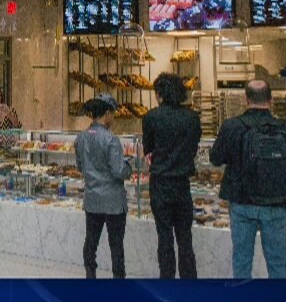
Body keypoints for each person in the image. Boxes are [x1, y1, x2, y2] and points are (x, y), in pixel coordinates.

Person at [210, 79, 286, 279]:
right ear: (271, 100)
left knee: (242, 263)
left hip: (241, 204)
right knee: (278, 266)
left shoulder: (232, 127)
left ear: (246, 99)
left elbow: (215, 159)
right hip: (276, 204)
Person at [142, 72, 202, 279]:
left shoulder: (151, 117)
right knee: (185, 237)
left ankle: (167, 283)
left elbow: (148, 149)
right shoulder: (192, 118)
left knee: (164, 237)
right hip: (182, 184)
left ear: (159, 94)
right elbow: (193, 148)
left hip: (160, 183)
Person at [75, 92, 132, 278]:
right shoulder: (110, 139)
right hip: (113, 202)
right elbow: (118, 171)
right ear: (107, 113)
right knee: (116, 246)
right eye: (113, 114)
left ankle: (90, 277)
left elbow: (80, 166)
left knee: (90, 243)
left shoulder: (81, 138)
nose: (113, 119)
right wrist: (129, 166)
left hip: (92, 199)